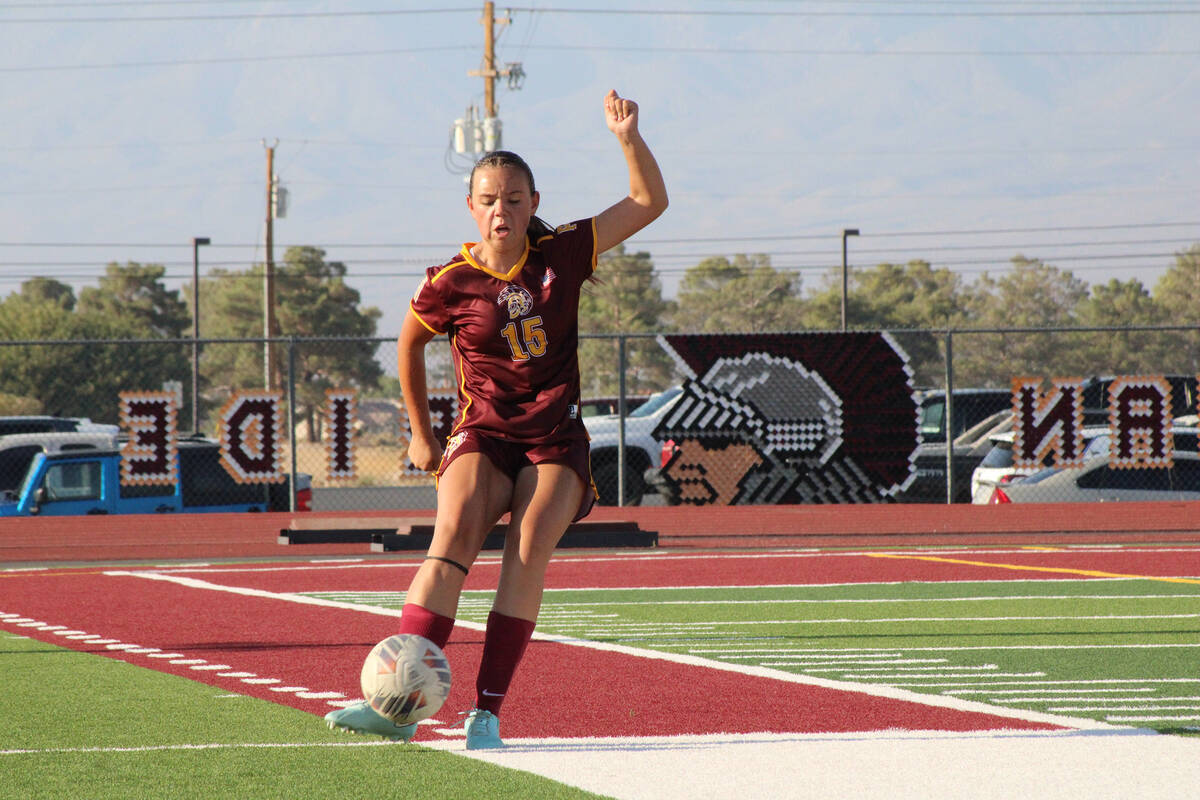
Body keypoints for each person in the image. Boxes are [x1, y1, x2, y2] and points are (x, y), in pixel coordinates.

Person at [326, 89, 667, 749]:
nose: (501, 210)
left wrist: (627, 137)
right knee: (451, 533)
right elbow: (407, 343)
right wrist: (421, 431)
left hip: (554, 440)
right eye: (488, 199)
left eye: (514, 198)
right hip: (483, 433)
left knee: (528, 547)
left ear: (533, 204)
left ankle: (487, 711)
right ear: (471, 206)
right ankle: (396, 708)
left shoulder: (565, 253)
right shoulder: (450, 281)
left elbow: (650, 202)